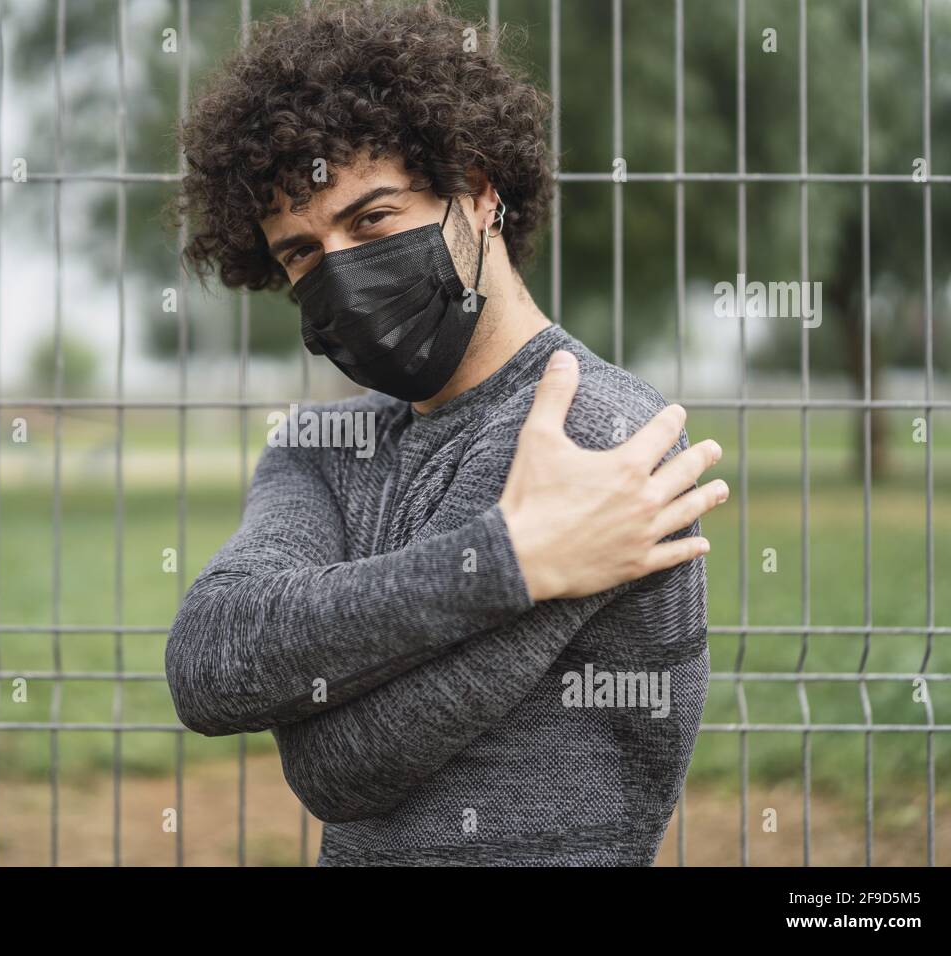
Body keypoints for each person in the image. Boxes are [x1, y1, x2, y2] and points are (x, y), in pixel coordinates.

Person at [164, 0, 729, 866]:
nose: (342, 273)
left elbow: (338, 770)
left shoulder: (595, 438)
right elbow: (209, 655)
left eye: (373, 219)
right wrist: (513, 561)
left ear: (478, 192)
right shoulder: (318, 448)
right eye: (302, 253)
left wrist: (330, 657)